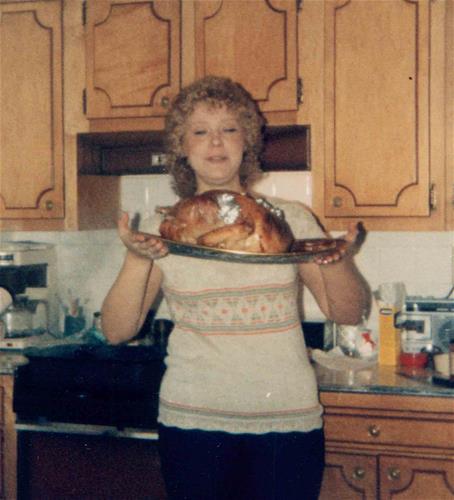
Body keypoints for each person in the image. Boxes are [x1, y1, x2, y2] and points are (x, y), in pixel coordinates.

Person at [101, 76, 370, 500]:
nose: (215, 142)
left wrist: (337, 259)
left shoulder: (289, 220)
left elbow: (348, 313)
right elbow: (117, 331)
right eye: (200, 131)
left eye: (229, 129)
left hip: (286, 421)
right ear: (181, 147)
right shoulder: (164, 227)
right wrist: (137, 257)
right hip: (194, 423)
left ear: (247, 142)